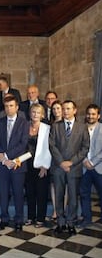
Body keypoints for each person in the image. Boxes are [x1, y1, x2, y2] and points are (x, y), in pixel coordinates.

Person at [49, 100, 89, 235]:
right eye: (64, 109)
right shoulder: (55, 126)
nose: (65, 111)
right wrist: (61, 162)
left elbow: (85, 148)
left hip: (74, 167)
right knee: (59, 196)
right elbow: (52, 145)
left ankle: (71, 222)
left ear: (75, 110)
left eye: (68, 109)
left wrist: (71, 162)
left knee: (73, 197)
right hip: (58, 167)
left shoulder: (82, 127)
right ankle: (60, 222)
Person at [0, 95, 29, 231]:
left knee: (18, 193)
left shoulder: (24, 123)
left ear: (17, 107)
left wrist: (7, 156)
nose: (9, 109)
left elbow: (23, 144)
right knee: (3, 192)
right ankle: (4, 218)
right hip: (3, 165)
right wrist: (2, 157)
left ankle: (19, 219)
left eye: (11, 106)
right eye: (6, 106)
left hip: (17, 164)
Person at [24, 104, 51, 228]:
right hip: (26, 164)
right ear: (30, 113)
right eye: (33, 112)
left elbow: (49, 149)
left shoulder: (47, 128)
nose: (35, 114)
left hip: (41, 165)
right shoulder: (25, 126)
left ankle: (40, 218)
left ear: (42, 115)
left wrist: (45, 166)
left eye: (38, 112)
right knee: (30, 193)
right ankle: (30, 217)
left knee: (41, 193)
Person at [79, 104, 102, 228]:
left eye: (93, 114)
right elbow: (77, 147)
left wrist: (92, 162)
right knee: (84, 194)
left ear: (98, 116)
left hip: (99, 168)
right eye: (88, 113)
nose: (90, 116)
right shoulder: (81, 129)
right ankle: (86, 219)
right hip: (84, 167)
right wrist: (84, 161)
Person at [49, 99, 64, 221]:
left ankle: (62, 209)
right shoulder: (50, 125)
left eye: (58, 108)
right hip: (53, 159)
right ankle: (55, 209)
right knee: (54, 184)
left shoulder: (68, 123)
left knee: (66, 185)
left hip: (66, 159)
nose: (56, 111)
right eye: (54, 109)